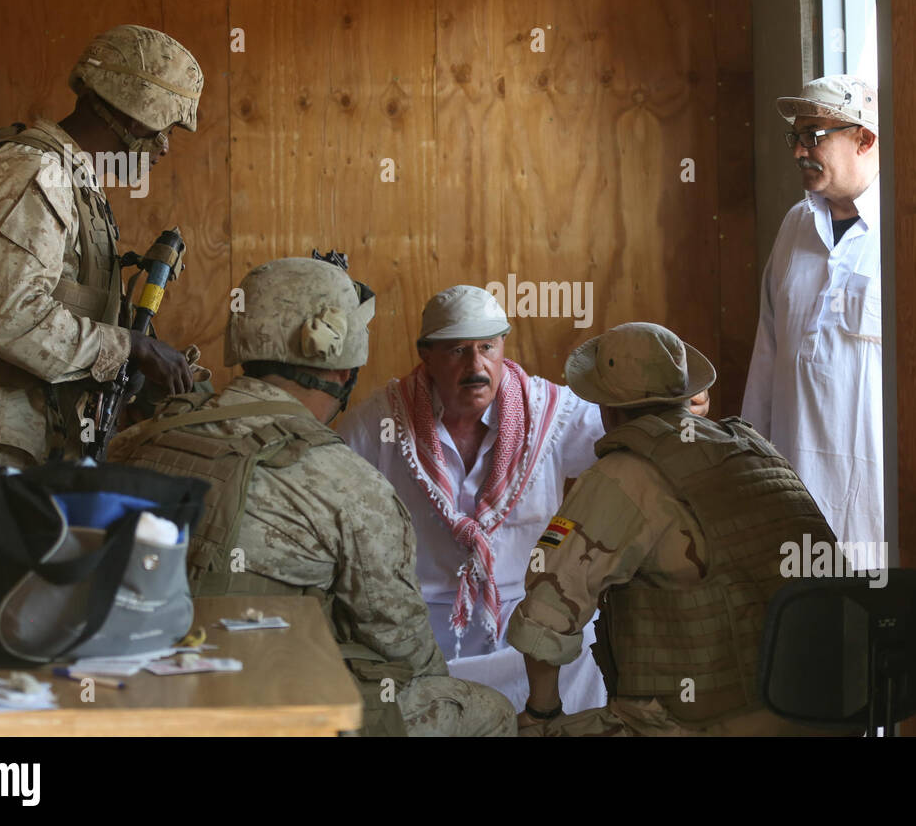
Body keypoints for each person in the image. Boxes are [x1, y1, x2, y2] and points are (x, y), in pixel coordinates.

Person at [111, 257, 515, 737]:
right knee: (485, 710)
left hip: (133, 693)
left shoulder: (142, 439)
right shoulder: (347, 483)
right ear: (342, 368)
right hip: (247, 710)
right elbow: (409, 656)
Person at [0, 25, 201, 547]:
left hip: (18, 449)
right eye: (165, 127)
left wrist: (128, 366)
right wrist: (131, 346)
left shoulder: (72, 180)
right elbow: (11, 318)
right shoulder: (35, 172)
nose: (166, 147)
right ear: (135, 113)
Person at [507, 322, 841, 736]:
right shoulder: (757, 449)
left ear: (606, 408)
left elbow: (546, 613)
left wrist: (541, 715)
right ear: (687, 396)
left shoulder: (621, 475)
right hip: (825, 714)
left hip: (702, 724)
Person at [341, 285, 608, 713]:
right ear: (426, 355)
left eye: (487, 346)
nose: (476, 365)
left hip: (530, 619)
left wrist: (674, 409)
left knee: (591, 639)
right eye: (457, 351)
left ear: (504, 345)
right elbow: (331, 486)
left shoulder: (549, 413)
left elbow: (623, 437)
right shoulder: (383, 421)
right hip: (423, 630)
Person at [740, 74, 884, 547]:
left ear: (865, 139)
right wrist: (751, 468)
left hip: (875, 507)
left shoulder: (900, 233)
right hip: (791, 495)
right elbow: (767, 355)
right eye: (796, 137)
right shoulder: (795, 226)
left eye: (813, 137)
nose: (799, 151)